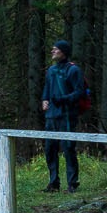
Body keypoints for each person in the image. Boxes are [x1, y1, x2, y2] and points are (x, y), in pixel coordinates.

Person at [40, 39, 89, 192]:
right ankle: (53, 183)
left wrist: (63, 99)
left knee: (68, 149)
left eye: (56, 49)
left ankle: (72, 183)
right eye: (53, 49)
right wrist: (45, 100)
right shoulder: (51, 71)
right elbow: (47, 88)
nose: (52, 51)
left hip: (67, 115)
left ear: (63, 52)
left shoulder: (73, 70)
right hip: (51, 116)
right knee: (50, 149)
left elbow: (79, 92)